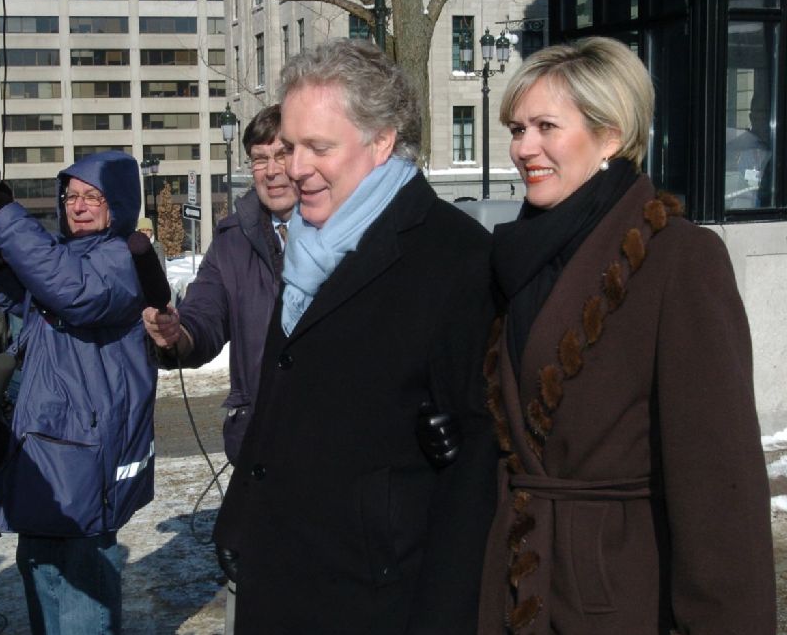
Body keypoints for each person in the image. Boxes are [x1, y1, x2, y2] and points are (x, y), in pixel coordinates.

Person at [477, 36, 775, 633]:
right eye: (516, 129)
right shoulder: (514, 255)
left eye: (545, 127)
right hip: (513, 585)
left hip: (616, 595)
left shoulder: (679, 258)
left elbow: (719, 481)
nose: (523, 148)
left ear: (610, 135)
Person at [211, 39, 497, 633]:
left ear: (382, 140)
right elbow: (280, 393)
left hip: (374, 598)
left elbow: (474, 472)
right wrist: (239, 518)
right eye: (291, 146)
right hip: (278, 575)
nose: (295, 168)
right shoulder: (307, 244)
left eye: (319, 147)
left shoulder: (455, 257)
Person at [0, 151, 157, 635]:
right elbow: (27, 295)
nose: (79, 206)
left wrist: (7, 218)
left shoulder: (121, 259)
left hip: (85, 454)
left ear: (119, 203)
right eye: (71, 197)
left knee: (81, 588)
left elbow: (75, 294)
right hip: (43, 445)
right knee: (41, 573)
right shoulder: (68, 256)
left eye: (93, 197)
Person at [142, 104, 298, 465]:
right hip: (258, 445)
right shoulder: (231, 241)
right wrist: (177, 333)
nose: (271, 171)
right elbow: (204, 315)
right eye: (259, 159)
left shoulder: (345, 229)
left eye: (282, 155)